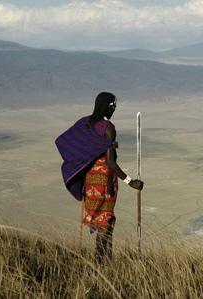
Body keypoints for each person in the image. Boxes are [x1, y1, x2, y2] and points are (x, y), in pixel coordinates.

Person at [55, 92, 144, 263]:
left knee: (103, 221)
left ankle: (105, 261)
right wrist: (130, 181)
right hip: (104, 181)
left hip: (90, 180)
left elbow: (67, 141)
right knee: (105, 221)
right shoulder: (108, 128)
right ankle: (101, 262)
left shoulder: (85, 123)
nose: (114, 110)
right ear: (108, 107)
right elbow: (110, 162)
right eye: (113, 107)